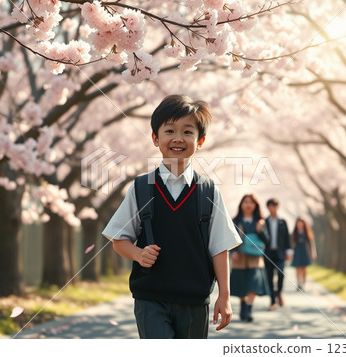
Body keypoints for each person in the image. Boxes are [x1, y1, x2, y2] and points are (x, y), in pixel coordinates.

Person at [102, 94, 241, 339]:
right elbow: (118, 239)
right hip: (150, 298)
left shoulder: (207, 191)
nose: (178, 138)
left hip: (194, 300)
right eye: (169, 131)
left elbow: (219, 248)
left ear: (200, 141)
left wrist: (225, 296)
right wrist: (138, 254)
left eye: (188, 132)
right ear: (156, 138)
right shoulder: (141, 188)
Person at [230, 194, 270, 322]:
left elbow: (267, 240)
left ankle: (248, 309)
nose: (248, 205)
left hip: (256, 259)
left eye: (251, 202)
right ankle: (243, 305)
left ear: (255, 205)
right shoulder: (235, 221)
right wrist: (233, 252)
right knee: (241, 285)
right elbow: (229, 238)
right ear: (241, 204)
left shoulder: (261, 221)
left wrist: (261, 230)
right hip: (239, 258)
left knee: (253, 284)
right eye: (246, 202)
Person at [264, 198, 291, 311]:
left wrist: (289, 251)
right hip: (268, 253)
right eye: (270, 206)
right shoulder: (264, 221)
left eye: (274, 206)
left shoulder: (282, 221)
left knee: (280, 274)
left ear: (277, 207)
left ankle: (278, 292)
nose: (272, 208)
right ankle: (272, 301)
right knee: (269, 277)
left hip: (280, 254)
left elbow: (287, 238)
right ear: (268, 207)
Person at [291, 217, 316, 291]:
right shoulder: (294, 233)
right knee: (298, 268)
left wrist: (313, 253)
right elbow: (291, 243)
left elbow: (311, 244)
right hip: (297, 251)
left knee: (303, 268)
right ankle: (299, 284)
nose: (299, 224)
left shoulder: (307, 232)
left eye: (301, 223)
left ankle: (303, 283)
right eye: (298, 223)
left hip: (305, 252)